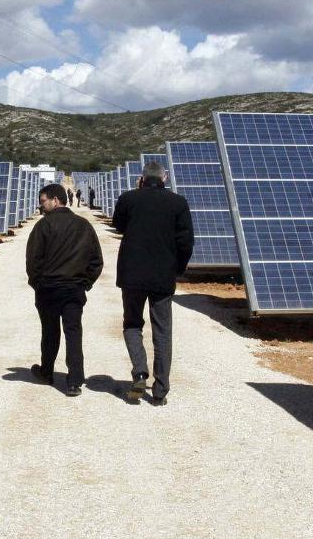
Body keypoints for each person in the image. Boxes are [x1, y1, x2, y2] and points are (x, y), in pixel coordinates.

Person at [111, 161, 193, 405]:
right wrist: (177, 269)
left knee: (132, 324)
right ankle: (160, 389)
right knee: (162, 331)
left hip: (132, 276)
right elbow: (186, 242)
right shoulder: (178, 203)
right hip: (162, 277)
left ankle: (139, 372)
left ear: (142, 179)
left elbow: (118, 225)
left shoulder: (128, 199)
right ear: (164, 178)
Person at [26, 183, 103, 396]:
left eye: (43, 202)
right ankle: (74, 381)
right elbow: (96, 260)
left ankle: (47, 372)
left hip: (48, 290)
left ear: (56, 200)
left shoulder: (43, 226)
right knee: (73, 333)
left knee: (50, 332)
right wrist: (85, 282)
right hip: (74, 290)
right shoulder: (83, 225)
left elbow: (33, 261)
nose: (41, 207)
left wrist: (38, 284)